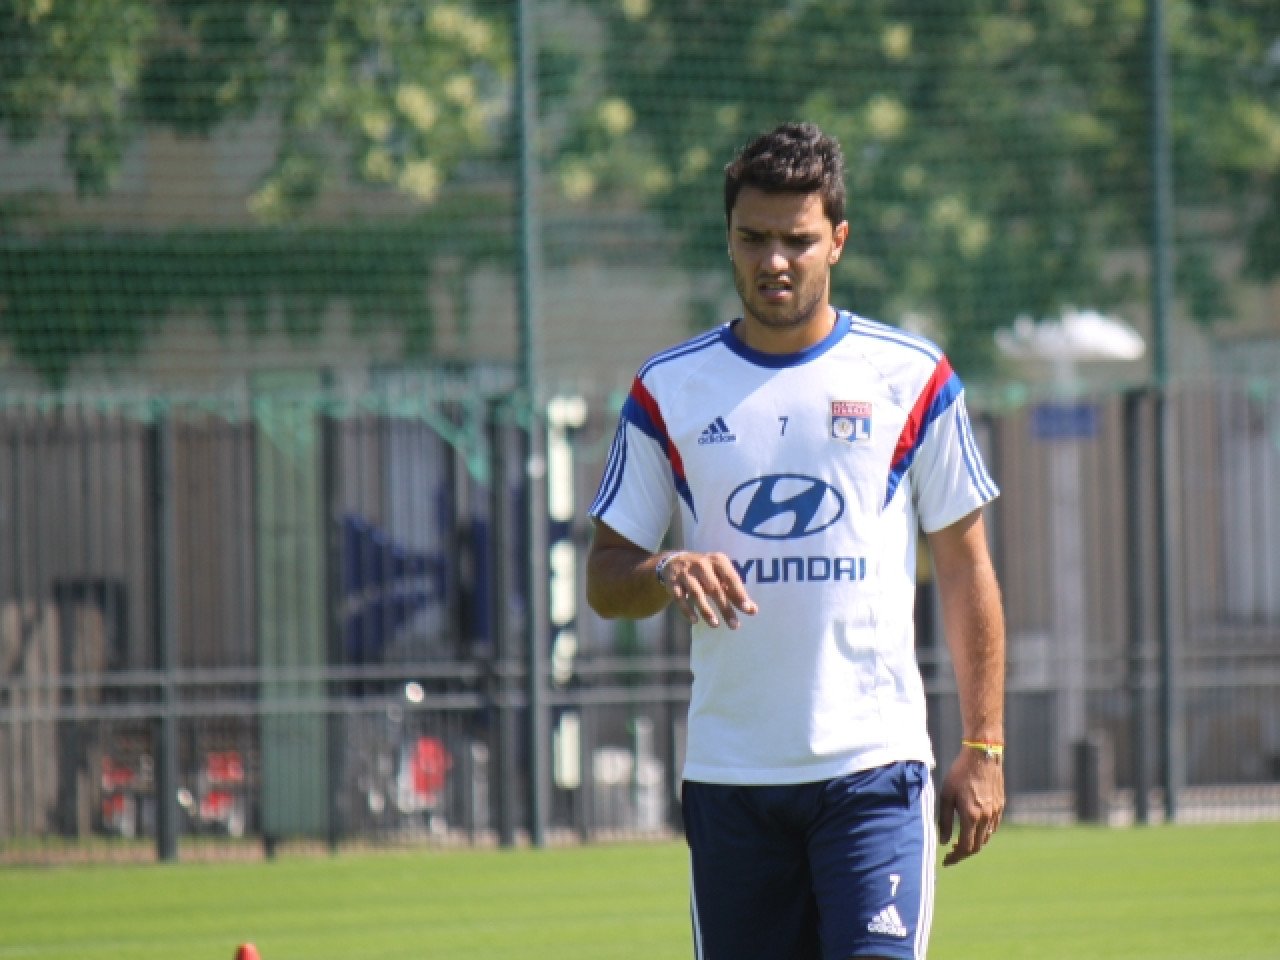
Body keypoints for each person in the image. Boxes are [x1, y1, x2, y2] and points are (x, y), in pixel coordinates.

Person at [584, 122, 1005, 960]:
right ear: (728, 240)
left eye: (797, 240)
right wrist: (666, 567)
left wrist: (983, 744)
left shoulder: (912, 378)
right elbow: (605, 576)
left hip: (874, 773)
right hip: (732, 780)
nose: (774, 260)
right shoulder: (669, 387)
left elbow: (965, 568)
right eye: (754, 238)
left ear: (837, 242)